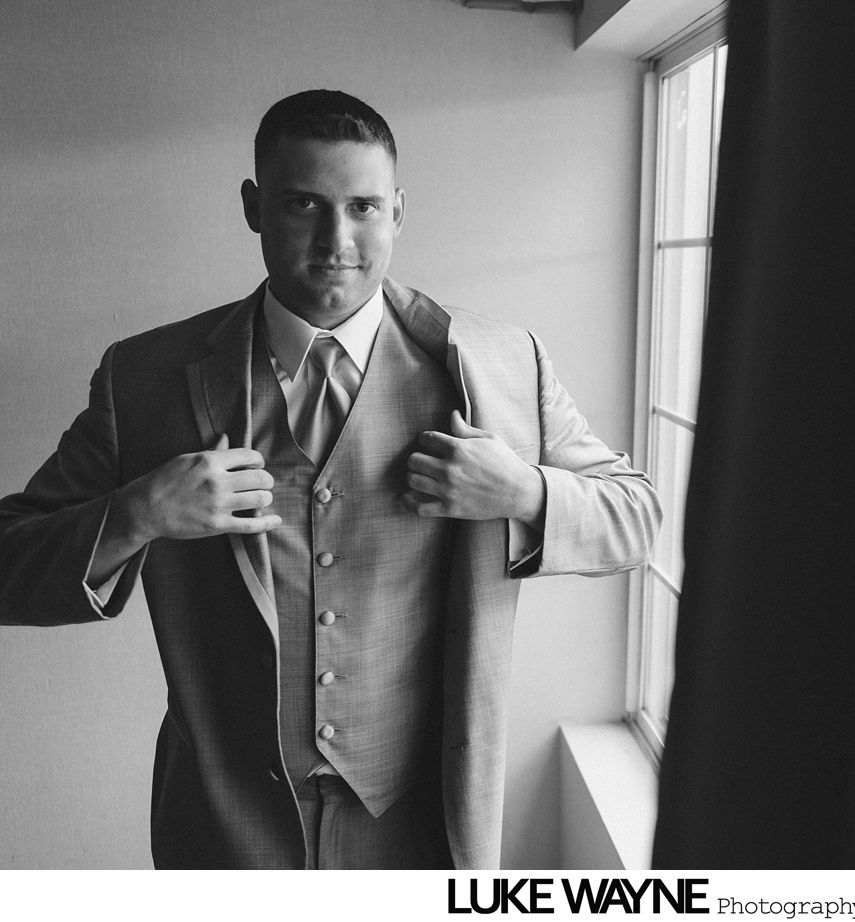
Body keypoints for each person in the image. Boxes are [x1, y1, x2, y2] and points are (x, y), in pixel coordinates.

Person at [0, 89, 660, 870]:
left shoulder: (503, 366)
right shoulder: (144, 378)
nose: (335, 241)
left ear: (398, 212)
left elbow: (636, 517)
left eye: (363, 207)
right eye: (303, 204)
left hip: (419, 827)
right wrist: (136, 512)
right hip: (226, 832)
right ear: (254, 207)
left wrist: (524, 493)